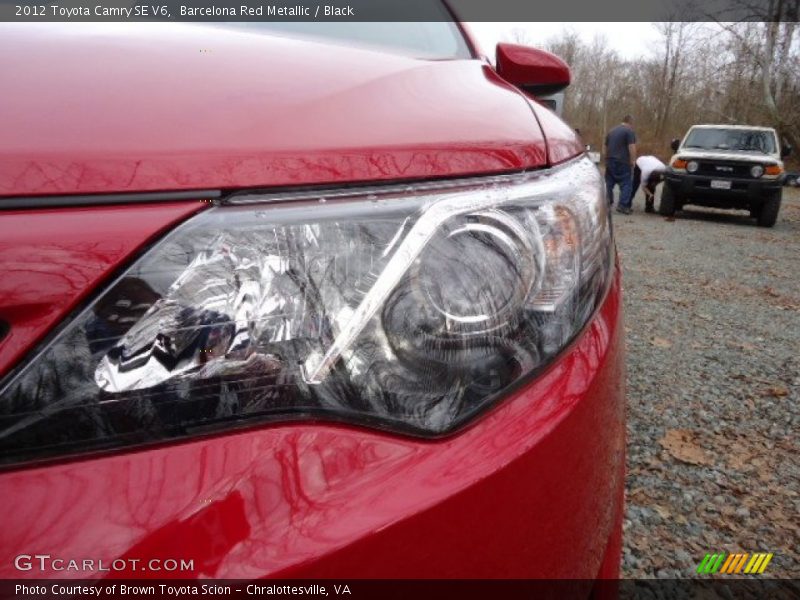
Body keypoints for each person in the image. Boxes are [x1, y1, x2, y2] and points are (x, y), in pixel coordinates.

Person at [604, 115, 637, 214]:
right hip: (623, 161)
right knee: (626, 184)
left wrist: (606, 159)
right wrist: (633, 160)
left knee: (608, 183)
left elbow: (606, 146)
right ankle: (622, 205)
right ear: (630, 123)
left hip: (610, 160)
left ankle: (607, 202)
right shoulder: (629, 131)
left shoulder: (611, 131)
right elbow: (631, 147)